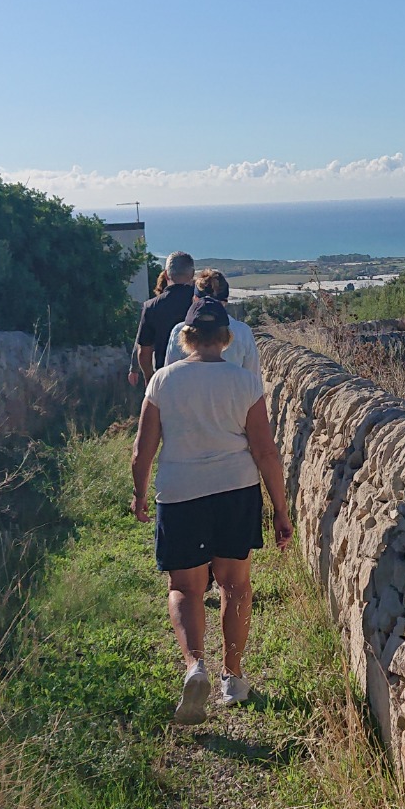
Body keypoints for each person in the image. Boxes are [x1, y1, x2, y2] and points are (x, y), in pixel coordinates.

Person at [132, 296, 294, 723]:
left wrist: (140, 494)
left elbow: (142, 449)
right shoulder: (244, 383)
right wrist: (280, 508)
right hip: (235, 492)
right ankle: (234, 677)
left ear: (186, 337)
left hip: (180, 492)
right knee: (235, 585)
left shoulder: (163, 382)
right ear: (225, 338)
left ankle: (194, 666)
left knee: (185, 588)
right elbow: (265, 451)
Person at [163, 269, 261, 380]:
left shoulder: (180, 331)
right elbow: (253, 379)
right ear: (225, 302)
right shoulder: (243, 332)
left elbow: (169, 377)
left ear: (195, 299)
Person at [133, 251, 197, 386]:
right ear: (192, 274)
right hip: (200, 377)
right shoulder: (200, 303)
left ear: (166, 274)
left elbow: (144, 351)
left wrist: (149, 378)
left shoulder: (151, 306)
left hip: (165, 378)